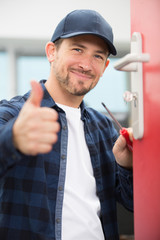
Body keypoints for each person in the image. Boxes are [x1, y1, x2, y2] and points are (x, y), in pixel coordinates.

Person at [0, 9, 133, 240]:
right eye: (78, 49)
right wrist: (13, 138)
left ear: (104, 67)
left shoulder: (103, 127)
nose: (86, 64)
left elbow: (132, 204)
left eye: (97, 56)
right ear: (52, 52)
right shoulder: (15, 114)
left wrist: (127, 166)